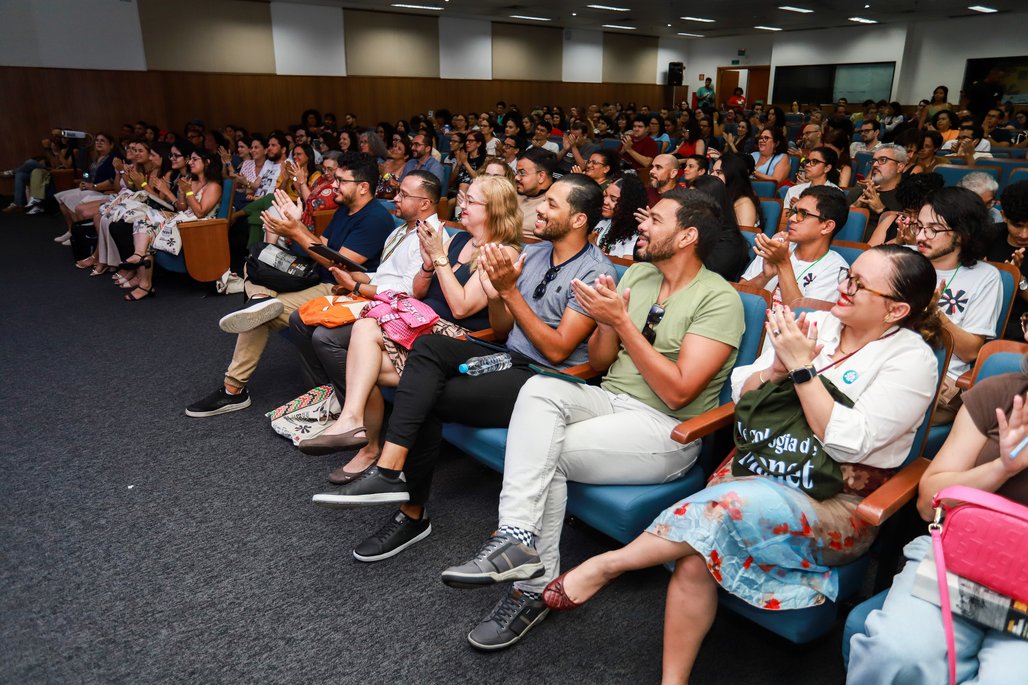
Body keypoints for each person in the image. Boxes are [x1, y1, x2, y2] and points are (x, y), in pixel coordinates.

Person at [538, 245, 943, 683]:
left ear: (896, 310)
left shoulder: (911, 360)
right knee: (698, 554)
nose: (844, 288)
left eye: (860, 285)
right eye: (848, 276)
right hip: (762, 463)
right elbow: (744, 396)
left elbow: (848, 444)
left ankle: (609, 564)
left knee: (721, 513)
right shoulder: (814, 323)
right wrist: (775, 371)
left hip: (834, 502)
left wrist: (802, 369)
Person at [440, 189, 745, 651]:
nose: (641, 224)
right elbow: (601, 362)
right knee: (538, 388)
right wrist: (605, 322)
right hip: (609, 399)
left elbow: (679, 391)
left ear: (687, 236)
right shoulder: (639, 274)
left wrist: (621, 323)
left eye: (655, 219)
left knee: (547, 455)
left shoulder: (720, 299)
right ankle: (516, 538)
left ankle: (529, 588)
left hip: (666, 429)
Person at [309, 175, 617, 566]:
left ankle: (409, 510)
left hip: (545, 379)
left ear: (578, 220)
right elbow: (503, 329)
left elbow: (556, 351)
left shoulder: (594, 272)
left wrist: (508, 291)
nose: (539, 208)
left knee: (428, 393)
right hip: (507, 356)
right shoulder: (536, 253)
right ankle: (389, 471)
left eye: (551, 204)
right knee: (427, 348)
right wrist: (499, 294)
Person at [296, 175, 523, 482]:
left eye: (471, 201)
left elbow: (461, 308)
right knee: (365, 336)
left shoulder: (501, 252)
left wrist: (439, 258)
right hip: (424, 325)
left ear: (493, 209)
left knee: (363, 361)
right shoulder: (459, 239)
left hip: (458, 342)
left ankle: (365, 441)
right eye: (465, 198)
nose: (462, 205)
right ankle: (356, 427)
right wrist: (428, 265)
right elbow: (420, 290)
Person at [846, 347, 1028, 684]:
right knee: (895, 653)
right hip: (961, 558)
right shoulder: (998, 394)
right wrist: (1002, 468)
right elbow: (928, 503)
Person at [184, 152, 395, 417]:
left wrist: (295, 229)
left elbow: (338, 264)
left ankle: (233, 390)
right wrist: (297, 224)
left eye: (341, 181)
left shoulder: (375, 218)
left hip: (341, 288)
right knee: (255, 263)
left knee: (259, 316)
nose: (334, 185)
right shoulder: (345, 208)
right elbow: (323, 245)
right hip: (317, 276)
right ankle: (260, 299)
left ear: (363, 187)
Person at [915, 187, 1003, 424]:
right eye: (919, 226)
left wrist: (935, 313)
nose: (920, 236)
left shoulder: (985, 277)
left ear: (962, 234)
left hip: (941, 379)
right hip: (887, 361)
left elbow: (970, 351)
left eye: (933, 230)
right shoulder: (905, 260)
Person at [741, 186, 850, 308]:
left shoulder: (835, 270)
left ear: (827, 227)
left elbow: (804, 315)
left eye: (803, 214)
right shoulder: (777, 246)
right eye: (794, 212)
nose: (791, 218)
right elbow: (739, 296)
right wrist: (764, 276)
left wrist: (783, 264)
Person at [53, 133, 119, 243]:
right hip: (91, 187)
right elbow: (88, 173)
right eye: (97, 140)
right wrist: (84, 182)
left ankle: (78, 233)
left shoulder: (114, 158)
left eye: (102, 141)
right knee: (60, 197)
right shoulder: (97, 157)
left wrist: (93, 186)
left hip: (102, 191)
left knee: (69, 199)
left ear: (111, 145)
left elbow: (112, 181)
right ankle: (71, 230)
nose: (98, 143)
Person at [984, 181, 1028, 341]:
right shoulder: (987, 237)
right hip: (985, 317)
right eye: (1018, 225)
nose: (1024, 234)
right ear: (1003, 216)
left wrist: (1017, 278)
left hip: (1021, 325)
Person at [691, 175, 751, 283]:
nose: (684, 205)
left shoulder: (730, 243)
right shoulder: (691, 227)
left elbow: (705, 276)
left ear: (711, 206)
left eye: (692, 200)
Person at [848, 144, 906, 229]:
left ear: (900, 167)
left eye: (883, 160)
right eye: (874, 161)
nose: (874, 165)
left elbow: (902, 231)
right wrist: (854, 207)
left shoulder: (906, 198)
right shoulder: (858, 191)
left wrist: (881, 210)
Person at [593, 173, 647, 259]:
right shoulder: (602, 223)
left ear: (628, 204)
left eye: (613, 199)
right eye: (605, 195)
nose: (605, 201)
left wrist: (592, 246)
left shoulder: (636, 235)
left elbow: (626, 265)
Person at [711, 153, 763, 228]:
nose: (712, 175)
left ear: (732, 176)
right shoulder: (718, 195)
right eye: (712, 171)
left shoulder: (744, 203)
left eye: (718, 172)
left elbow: (744, 234)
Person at [514, 147, 556, 240]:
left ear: (541, 176)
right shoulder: (513, 194)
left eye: (522, 173)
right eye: (517, 172)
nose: (516, 177)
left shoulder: (555, 205)